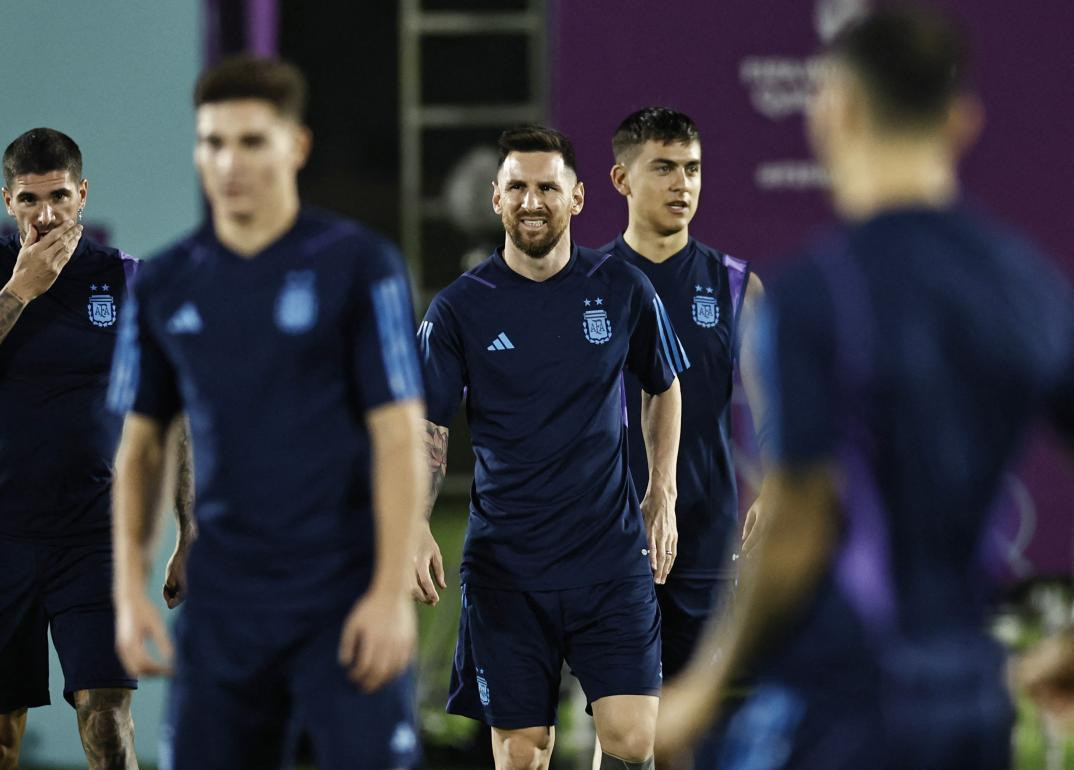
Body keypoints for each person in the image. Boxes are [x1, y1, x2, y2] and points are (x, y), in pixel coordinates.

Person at [655, 5, 1074, 768]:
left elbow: (798, 522)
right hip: (973, 708)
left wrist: (705, 687)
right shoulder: (1030, 288)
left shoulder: (818, 292)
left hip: (843, 707)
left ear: (835, 110)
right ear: (961, 119)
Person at [107, 56, 427, 770]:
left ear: (297, 146)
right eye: (213, 142)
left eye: (252, 141)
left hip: (343, 598)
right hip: (224, 610)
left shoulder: (360, 265)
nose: (229, 162)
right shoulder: (163, 282)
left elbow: (398, 436)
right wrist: (129, 589)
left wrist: (387, 591)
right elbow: (142, 448)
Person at [413, 124, 686, 770]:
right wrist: (415, 523)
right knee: (522, 755)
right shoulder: (459, 309)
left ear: (579, 198)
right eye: (517, 188)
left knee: (631, 742)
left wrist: (662, 491)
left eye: (546, 187)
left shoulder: (621, 288)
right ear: (495, 198)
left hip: (608, 559)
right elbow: (428, 426)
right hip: (508, 569)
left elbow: (664, 385)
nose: (531, 201)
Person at [0, 128, 168, 769]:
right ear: (7, 200)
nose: (45, 214)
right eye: (29, 199)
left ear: (82, 195)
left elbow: (172, 412)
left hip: (93, 537)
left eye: (58, 196)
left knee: (107, 723)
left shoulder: (126, 279)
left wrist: (189, 532)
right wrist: (20, 291)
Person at [603, 106, 772, 682]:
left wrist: (774, 485)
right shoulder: (585, 281)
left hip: (704, 536)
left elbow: (777, 409)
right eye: (665, 168)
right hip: (604, 533)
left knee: (689, 727)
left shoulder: (735, 285)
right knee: (623, 723)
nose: (683, 184)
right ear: (622, 180)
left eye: (693, 169)